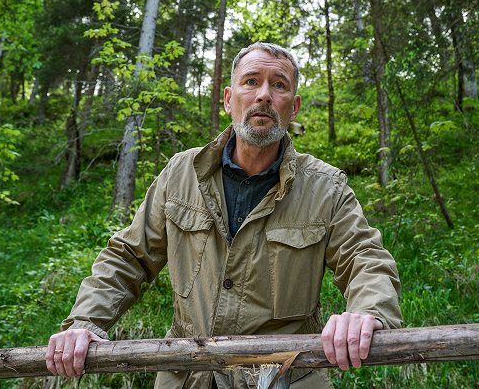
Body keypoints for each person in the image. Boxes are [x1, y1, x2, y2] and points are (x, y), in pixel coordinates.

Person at [46, 42, 402, 388]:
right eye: (251, 81)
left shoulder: (326, 188)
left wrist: (368, 312)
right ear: (230, 99)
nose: (263, 94)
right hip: (187, 373)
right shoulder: (181, 173)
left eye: (278, 85)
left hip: (284, 377)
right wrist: (85, 321)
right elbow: (129, 256)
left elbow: (365, 258)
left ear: (293, 108)